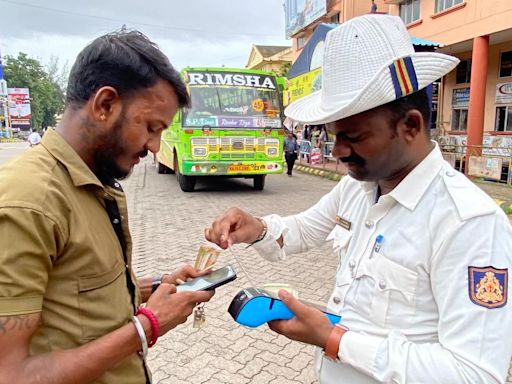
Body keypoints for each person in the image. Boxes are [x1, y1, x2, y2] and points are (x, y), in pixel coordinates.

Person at [205, 14, 512, 384]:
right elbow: (303, 230)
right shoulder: (360, 186)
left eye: (353, 136)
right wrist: (256, 229)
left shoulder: (468, 223)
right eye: (334, 135)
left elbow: (475, 374)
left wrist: (334, 339)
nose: (337, 151)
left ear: (410, 126)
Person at [0, 30, 214, 384]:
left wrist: (160, 284)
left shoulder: (92, 182)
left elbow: (81, 295)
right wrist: (149, 325)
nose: (155, 145)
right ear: (105, 105)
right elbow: (11, 374)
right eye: (151, 127)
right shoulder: (30, 203)